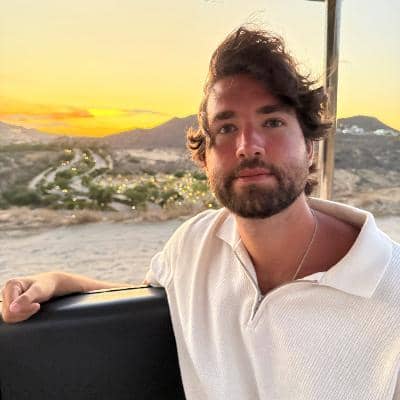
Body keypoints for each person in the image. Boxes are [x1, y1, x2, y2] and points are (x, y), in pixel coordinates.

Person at [2, 27, 400, 399]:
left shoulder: (390, 291)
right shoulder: (194, 246)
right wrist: (60, 280)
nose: (248, 145)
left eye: (272, 121)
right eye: (226, 128)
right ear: (205, 158)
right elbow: (146, 295)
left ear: (309, 148)